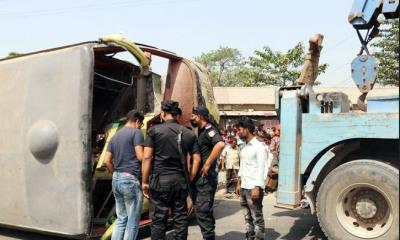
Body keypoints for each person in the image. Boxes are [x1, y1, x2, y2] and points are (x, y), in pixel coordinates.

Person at [142, 100, 201, 240]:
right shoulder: (188, 133)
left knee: (158, 220)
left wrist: (144, 181)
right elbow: (197, 159)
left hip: (159, 181)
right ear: (177, 115)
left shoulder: (154, 131)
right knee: (180, 219)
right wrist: (190, 178)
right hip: (180, 182)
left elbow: (147, 158)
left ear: (162, 113)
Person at [103, 110, 145, 240]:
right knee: (132, 221)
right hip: (131, 179)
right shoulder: (136, 133)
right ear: (137, 121)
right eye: (141, 124)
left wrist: (115, 172)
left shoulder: (115, 136)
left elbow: (106, 160)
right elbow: (140, 156)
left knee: (121, 219)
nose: (140, 127)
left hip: (117, 179)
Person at [190, 106, 225, 240]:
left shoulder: (209, 129)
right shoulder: (201, 131)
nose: (191, 118)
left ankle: (209, 237)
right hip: (202, 178)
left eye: (194, 116)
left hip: (206, 178)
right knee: (204, 211)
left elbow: (220, 144)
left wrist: (207, 163)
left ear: (200, 116)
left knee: (203, 211)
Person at [235, 117, 266, 240]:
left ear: (247, 130)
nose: (238, 132)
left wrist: (257, 187)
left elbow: (261, 169)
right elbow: (242, 167)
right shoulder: (244, 146)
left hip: (253, 188)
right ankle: (250, 237)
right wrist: (238, 183)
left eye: (240, 129)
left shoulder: (259, 147)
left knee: (256, 217)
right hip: (244, 187)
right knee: (247, 217)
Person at [265, 124, 280, 193]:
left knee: (276, 173)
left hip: (280, 157)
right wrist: (275, 153)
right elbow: (271, 148)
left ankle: (273, 187)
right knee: (272, 171)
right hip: (275, 156)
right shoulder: (275, 138)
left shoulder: (283, 137)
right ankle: (267, 186)